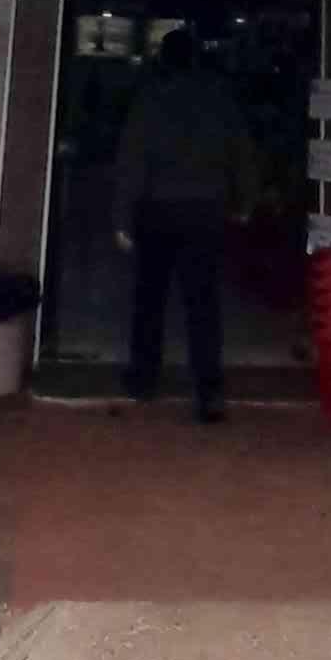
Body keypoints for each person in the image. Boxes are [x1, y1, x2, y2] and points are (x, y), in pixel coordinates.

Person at [110, 24, 258, 421]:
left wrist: (122, 219)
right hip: (205, 210)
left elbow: (132, 160)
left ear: (162, 59)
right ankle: (209, 392)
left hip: (157, 210)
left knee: (149, 299)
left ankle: (143, 379)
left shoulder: (150, 100)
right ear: (196, 57)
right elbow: (241, 153)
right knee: (203, 303)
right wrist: (245, 201)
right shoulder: (219, 99)